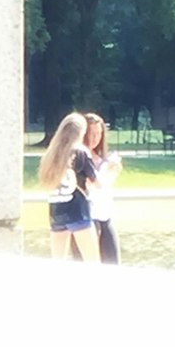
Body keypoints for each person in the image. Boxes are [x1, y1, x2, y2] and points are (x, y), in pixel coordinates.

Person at [38, 112, 99, 262]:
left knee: (58, 262)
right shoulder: (80, 151)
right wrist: (111, 170)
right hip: (78, 211)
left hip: (56, 213)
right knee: (93, 261)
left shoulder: (51, 154)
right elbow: (97, 183)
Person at [82, 113, 124, 263]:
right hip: (87, 219)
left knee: (113, 263)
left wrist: (114, 170)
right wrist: (107, 170)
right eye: (91, 134)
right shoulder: (79, 158)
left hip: (105, 215)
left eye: (98, 134)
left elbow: (104, 187)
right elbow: (92, 185)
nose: (94, 138)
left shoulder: (101, 159)